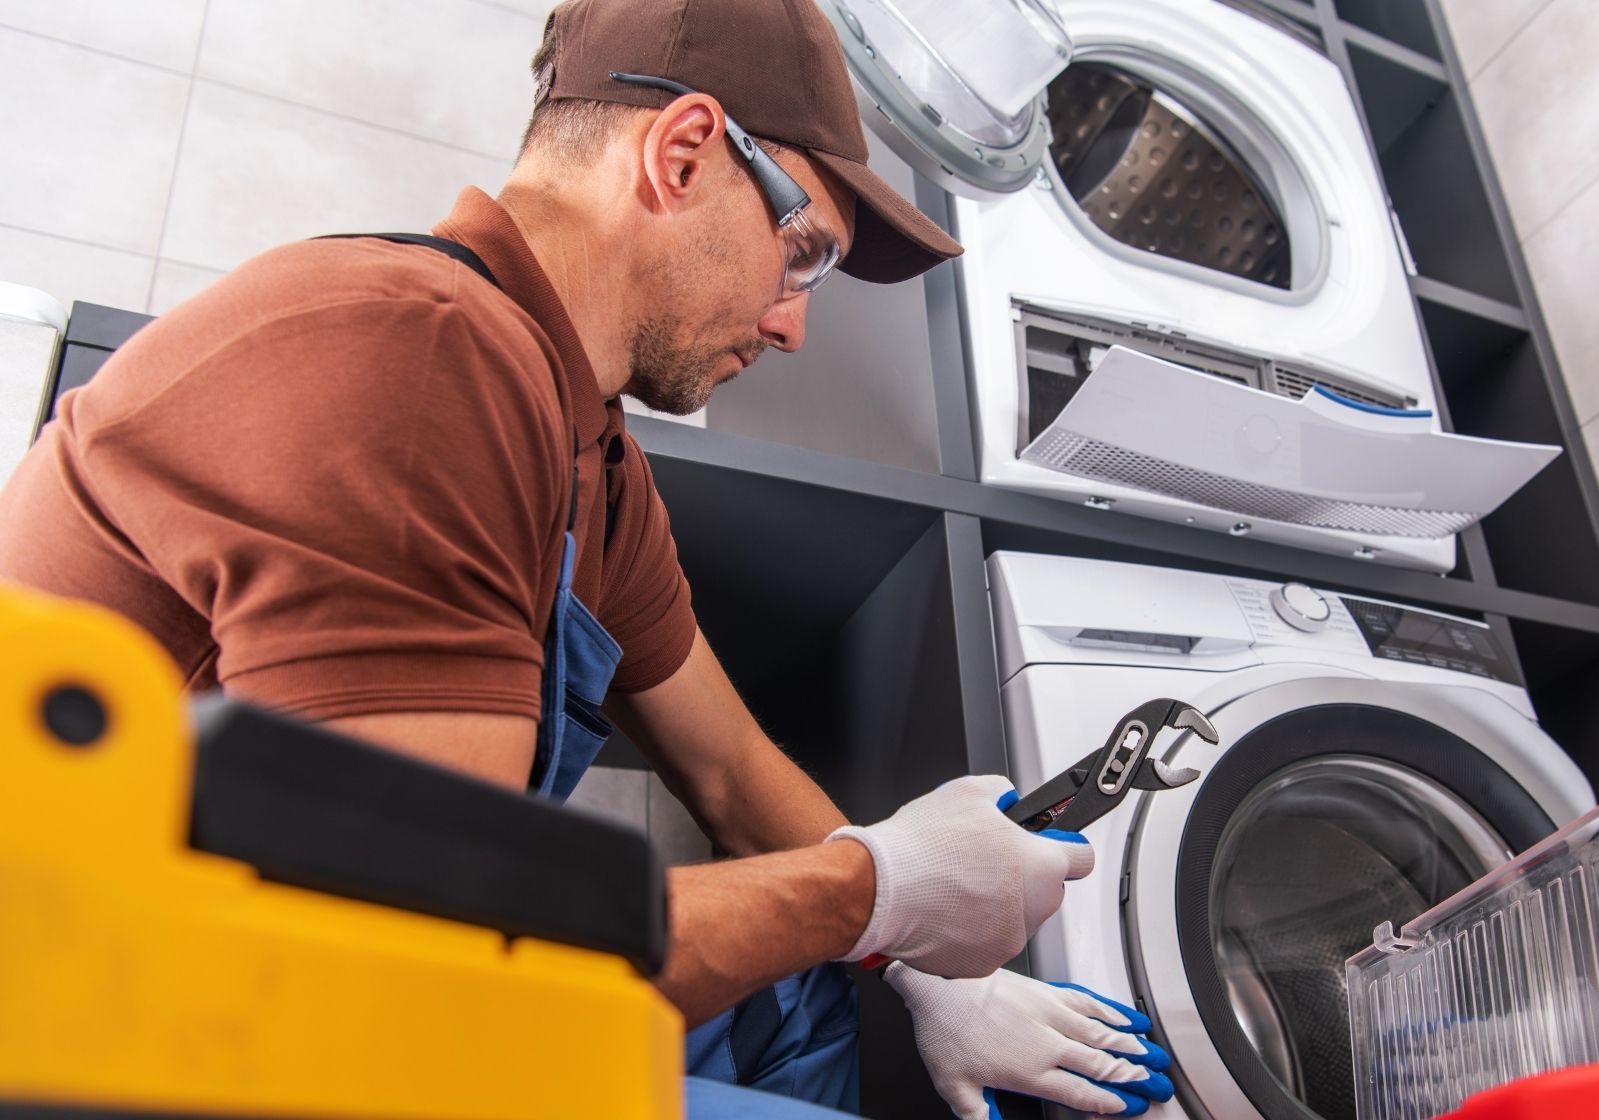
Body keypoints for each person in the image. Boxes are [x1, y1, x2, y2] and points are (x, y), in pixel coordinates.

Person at [0, 0, 1179, 1117]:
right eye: (803, 253)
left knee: (805, 983)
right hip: (151, 1028)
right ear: (680, 155)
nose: (792, 323)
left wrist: (930, 967)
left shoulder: (588, 451)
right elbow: (418, 967)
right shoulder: (413, 359)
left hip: (368, 967)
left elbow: (727, 771)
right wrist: (876, 891)